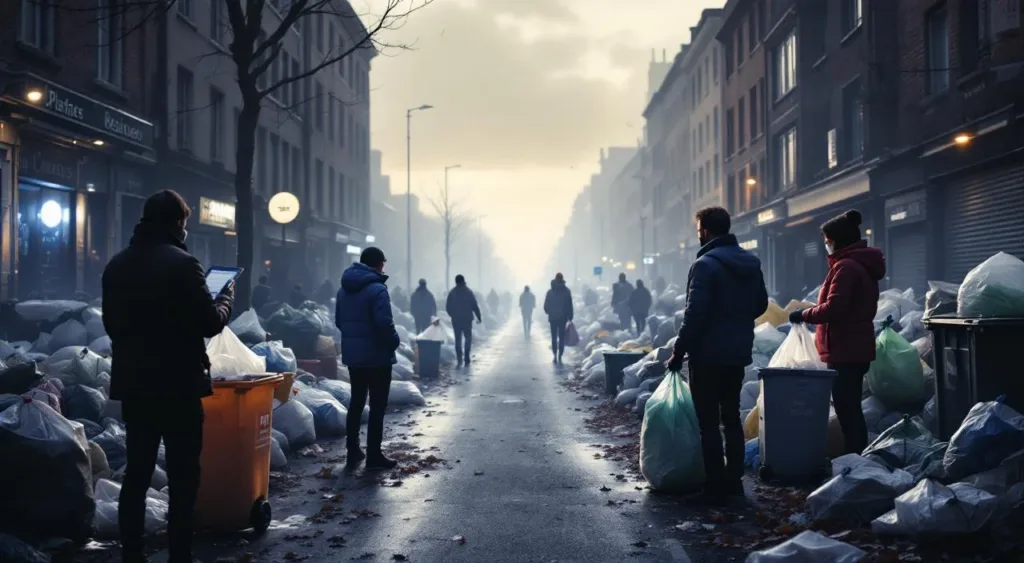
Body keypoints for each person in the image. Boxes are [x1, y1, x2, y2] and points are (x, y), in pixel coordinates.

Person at [102, 190, 234, 563]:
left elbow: (112, 326)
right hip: (178, 386)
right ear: (178, 223)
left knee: (137, 472)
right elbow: (209, 324)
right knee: (182, 473)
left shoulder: (117, 265)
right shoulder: (185, 265)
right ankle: (180, 552)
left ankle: (132, 552)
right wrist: (224, 301)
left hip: (136, 386)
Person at [666, 207, 768, 503]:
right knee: (731, 417)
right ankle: (734, 481)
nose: (698, 235)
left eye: (698, 230)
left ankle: (713, 486)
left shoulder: (705, 264)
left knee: (708, 422)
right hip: (736, 353)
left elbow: (694, 314)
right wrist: (736, 320)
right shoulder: (751, 262)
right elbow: (760, 304)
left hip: (707, 355)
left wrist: (678, 351)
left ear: (706, 231)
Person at [789, 210, 885, 457]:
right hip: (852, 347)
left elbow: (835, 308)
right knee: (849, 407)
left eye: (827, 240)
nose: (825, 245)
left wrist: (804, 315)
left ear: (837, 240)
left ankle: (855, 460)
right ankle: (855, 458)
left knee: (847, 409)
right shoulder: (852, 265)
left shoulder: (847, 268)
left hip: (846, 349)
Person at [335, 247, 401, 470]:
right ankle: (374, 454)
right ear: (378, 264)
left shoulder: (344, 290)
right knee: (377, 406)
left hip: (354, 357)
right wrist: (394, 341)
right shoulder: (377, 289)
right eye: (383, 263)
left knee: (356, 402)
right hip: (377, 357)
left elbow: (338, 321)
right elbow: (384, 323)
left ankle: (352, 449)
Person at [446, 275, 482, 366]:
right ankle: (466, 356)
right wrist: (478, 316)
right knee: (468, 338)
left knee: (458, 338)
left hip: (456, 319)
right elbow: (474, 305)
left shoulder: (452, 292)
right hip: (467, 319)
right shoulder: (468, 292)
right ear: (463, 281)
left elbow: (448, 306)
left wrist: (452, 314)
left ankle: (459, 358)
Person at [543, 273, 574, 364]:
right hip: (562, 318)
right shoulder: (566, 291)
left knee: (553, 336)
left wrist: (549, 312)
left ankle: (554, 354)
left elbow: (546, 306)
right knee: (561, 337)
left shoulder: (550, 292)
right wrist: (570, 316)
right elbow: (569, 305)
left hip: (553, 318)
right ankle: (560, 354)